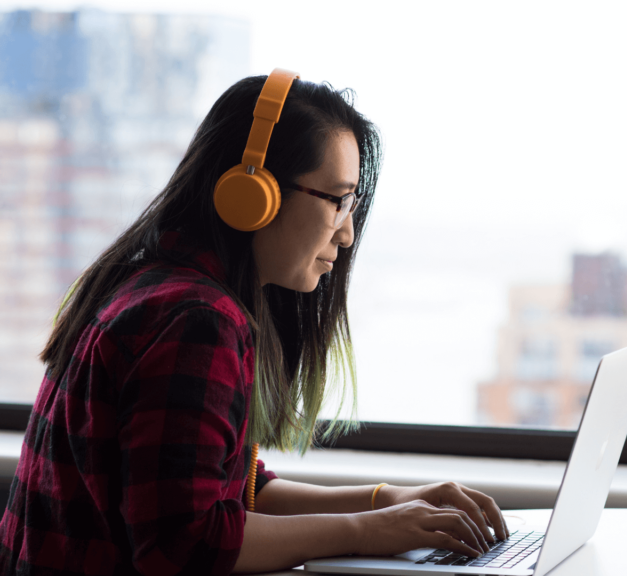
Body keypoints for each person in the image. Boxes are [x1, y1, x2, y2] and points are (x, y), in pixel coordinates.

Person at [0, 70, 508, 575]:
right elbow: (185, 544)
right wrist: (368, 531)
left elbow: (239, 490)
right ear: (254, 192)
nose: (348, 233)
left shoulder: (154, 285)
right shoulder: (195, 320)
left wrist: (385, 501)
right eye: (337, 201)